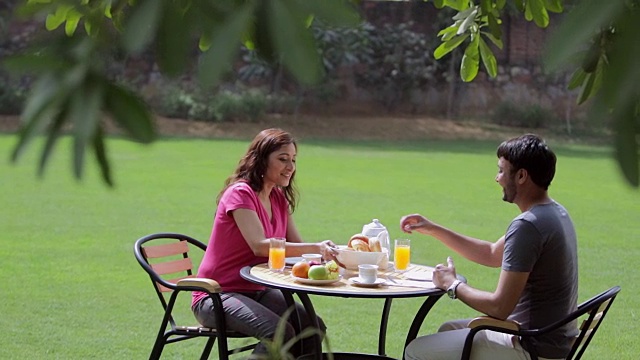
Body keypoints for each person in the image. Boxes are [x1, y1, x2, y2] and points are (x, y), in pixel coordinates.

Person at [400, 134, 578, 360]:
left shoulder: (528, 225)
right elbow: (492, 253)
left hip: (531, 346)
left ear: (522, 176)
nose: (497, 178)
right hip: (550, 340)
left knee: (415, 351)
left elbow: (499, 307)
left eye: (502, 170)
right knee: (448, 329)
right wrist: (433, 228)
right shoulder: (554, 213)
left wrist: (451, 284)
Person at [192, 128, 337, 358]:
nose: (290, 167)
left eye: (293, 160)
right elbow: (259, 246)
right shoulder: (240, 193)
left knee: (312, 327)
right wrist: (315, 247)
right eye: (282, 159)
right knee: (278, 333)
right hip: (217, 294)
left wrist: (339, 258)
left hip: (256, 290)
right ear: (260, 160)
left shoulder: (278, 197)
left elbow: (298, 248)